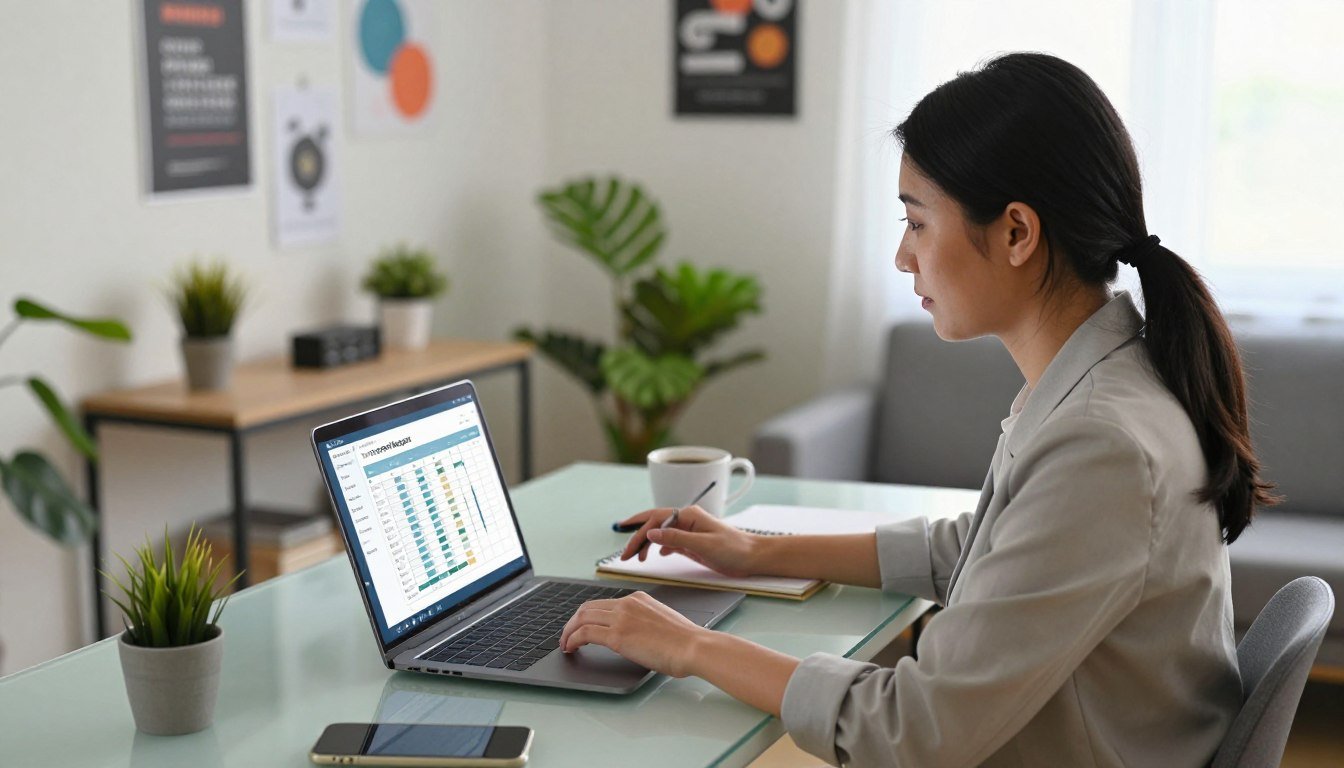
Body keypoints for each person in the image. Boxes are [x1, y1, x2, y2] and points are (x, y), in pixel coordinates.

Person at [559, 52, 1277, 767]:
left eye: (918, 223)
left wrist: (686, 644)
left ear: (1017, 233)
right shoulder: (1109, 379)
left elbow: (914, 730)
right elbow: (980, 552)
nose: (905, 258)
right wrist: (755, 550)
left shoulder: (1101, 440)